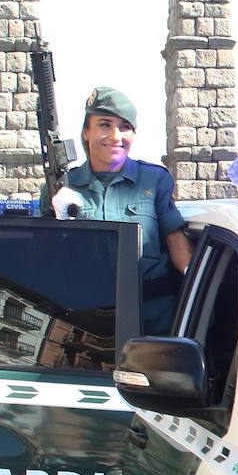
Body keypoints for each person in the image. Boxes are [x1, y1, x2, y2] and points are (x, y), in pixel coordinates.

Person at [52, 87, 193, 336]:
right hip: (86, 324)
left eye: (125, 127)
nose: (116, 136)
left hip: (152, 322)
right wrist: (56, 223)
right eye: (104, 125)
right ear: (86, 132)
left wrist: (207, 294)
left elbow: (178, 247)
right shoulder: (62, 187)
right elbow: (42, 260)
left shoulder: (154, 180)